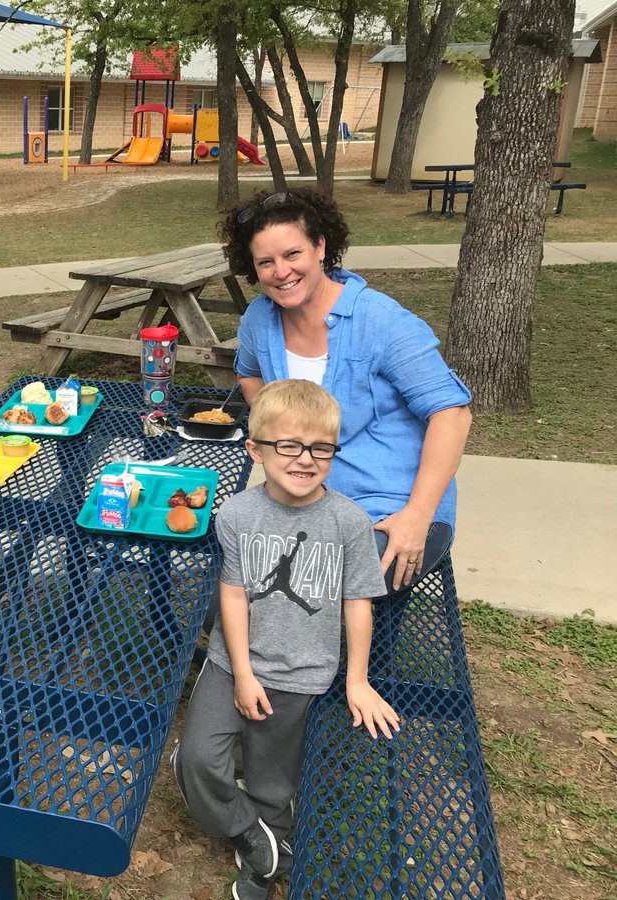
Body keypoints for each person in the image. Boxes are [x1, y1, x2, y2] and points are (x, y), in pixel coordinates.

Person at [173, 380, 399, 900]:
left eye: (321, 448)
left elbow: (357, 604)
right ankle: (249, 831)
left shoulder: (348, 521)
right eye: (288, 445)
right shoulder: (235, 514)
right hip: (235, 666)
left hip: (302, 674)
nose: (305, 459)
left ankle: (263, 854)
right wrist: (242, 672)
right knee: (198, 762)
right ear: (255, 449)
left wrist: (358, 680)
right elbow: (232, 595)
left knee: (275, 782)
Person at [221, 188, 473, 593]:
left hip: (389, 506)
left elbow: (452, 413)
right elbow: (248, 375)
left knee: (298, 589)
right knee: (233, 576)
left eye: (292, 254)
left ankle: (345, 658)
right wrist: (278, 434)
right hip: (301, 496)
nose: (280, 272)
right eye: (265, 262)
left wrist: (417, 515)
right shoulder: (259, 320)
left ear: (320, 247)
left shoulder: (382, 321)